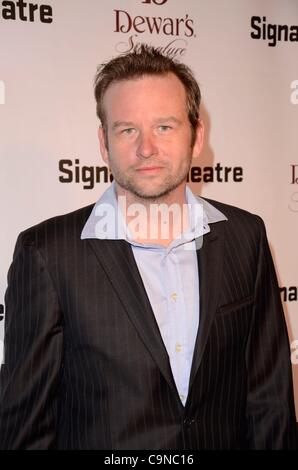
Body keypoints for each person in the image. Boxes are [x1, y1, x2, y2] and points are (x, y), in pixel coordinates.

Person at [0, 45, 297, 450]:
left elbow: (269, 398)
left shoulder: (246, 237)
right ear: (104, 143)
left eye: (164, 127)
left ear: (196, 137)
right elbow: (26, 428)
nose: (146, 148)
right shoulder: (47, 254)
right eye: (127, 130)